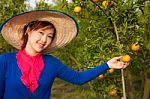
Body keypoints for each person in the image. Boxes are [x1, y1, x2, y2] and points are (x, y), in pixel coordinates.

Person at [0, 10, 129, 99]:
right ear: (28, 30)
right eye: (41, 33)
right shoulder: (5, 61)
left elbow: (78, 79)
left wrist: (107, 64)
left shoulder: (52, 63)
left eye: (49, 36)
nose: (44, 40)